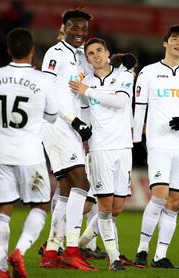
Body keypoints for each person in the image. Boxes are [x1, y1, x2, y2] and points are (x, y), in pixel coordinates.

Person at [0, 27, 58, 278]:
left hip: (1, 153)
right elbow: (52, 114)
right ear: (32, 50)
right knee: (40, 205)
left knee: (2, 210)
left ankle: (0, 268)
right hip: (30, 153)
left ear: (8, 50)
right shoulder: (43, 80)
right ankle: (19, 249)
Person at [132, 25, 179, 269]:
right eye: (174, 38)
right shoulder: (149, 72)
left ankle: (160, 256)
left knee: (174, 202)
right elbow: (139, 108)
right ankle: (142, 249)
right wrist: (136, 140)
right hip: (159, 143)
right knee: (160, 197)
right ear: (165, 43)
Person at [69, 38, 136, 271]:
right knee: (105, 207)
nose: (96, 55)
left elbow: (120, 101)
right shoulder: (84, 82)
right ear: (87, 59)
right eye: (91, 53)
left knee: (116, 209)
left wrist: (90, 91)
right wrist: (84, 137)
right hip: (100, 149)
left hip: (124, 147)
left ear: (107, 52)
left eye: (99, 50)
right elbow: (85, 114)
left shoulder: (125, 76)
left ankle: (78, 244)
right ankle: (113, 258)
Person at [39, 9, 97, 271]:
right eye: (75, 27)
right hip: (57, 124)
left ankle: (52, 251)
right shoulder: (55, 54)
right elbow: (48, 92)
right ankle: (72, 249)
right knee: (82, 183)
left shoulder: (80, 58)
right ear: (63, 27)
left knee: (65, 190)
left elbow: (82, 93)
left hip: (69, 127)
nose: (80, 33)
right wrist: (74, 120)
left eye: (84, 29)